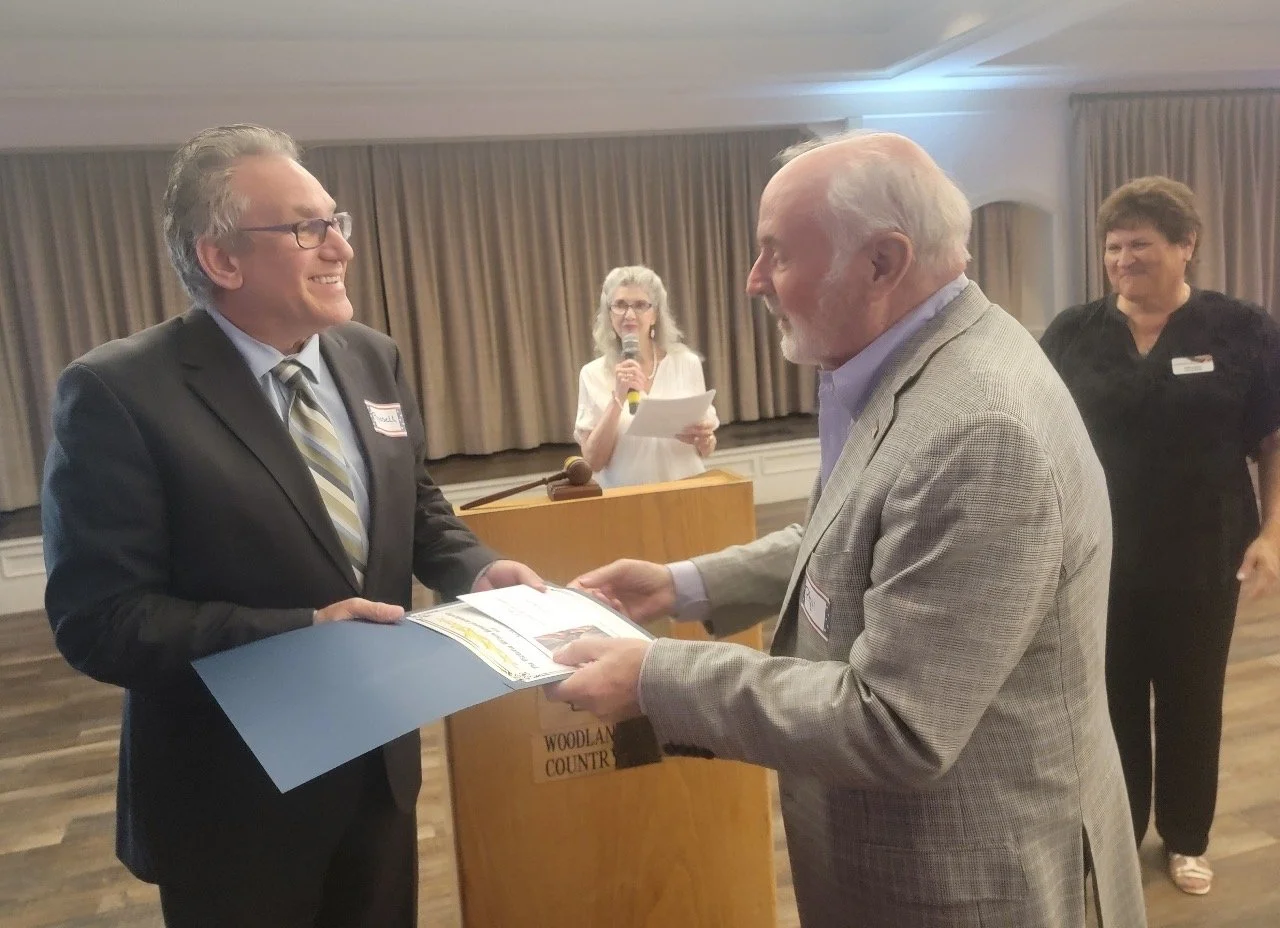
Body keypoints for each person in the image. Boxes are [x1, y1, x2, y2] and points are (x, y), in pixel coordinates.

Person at [546, 130, 1147, 927]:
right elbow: (851, 538)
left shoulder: (977, 428)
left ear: (882, 264)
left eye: (776, 254)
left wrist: (654, 678)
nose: (753, 281)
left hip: (971, 881)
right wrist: (681, 585)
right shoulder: (913, 362)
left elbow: (895, 723)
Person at [40, 124, 544, 928]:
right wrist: (304, 631)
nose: (339, 247)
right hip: (230, 803)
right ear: (222, 259)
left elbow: (414, 510)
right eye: (306, 228)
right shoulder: (119, 394)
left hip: (377, 775)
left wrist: (479, 570)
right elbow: (100, 622)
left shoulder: (370, 357)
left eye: (336, 221)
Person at [1040, 175, 1280, 896]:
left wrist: (1273, 535)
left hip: (1205, 554)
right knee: (1106, 700)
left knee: (1190, 696)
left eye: (1139, 244)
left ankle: (1185, 837)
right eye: (1113, 247)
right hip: (1097, 556)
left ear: (1186, 246)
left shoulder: (1241, 330)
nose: (1122, 259)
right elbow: (1039, 439)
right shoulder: (1073, 334)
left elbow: (1273, 439)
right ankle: (1115, 833)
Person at [574, 265, 718, 487]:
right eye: (620, 305)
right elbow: (593, 462)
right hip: (628, 501)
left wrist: (705, 440)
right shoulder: (592, 374)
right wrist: (618, 399)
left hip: (686, 495)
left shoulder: (686, 363)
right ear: (609, 314)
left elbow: (706, 449)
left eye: (641, 305)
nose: (629, 314)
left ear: (655, 314)